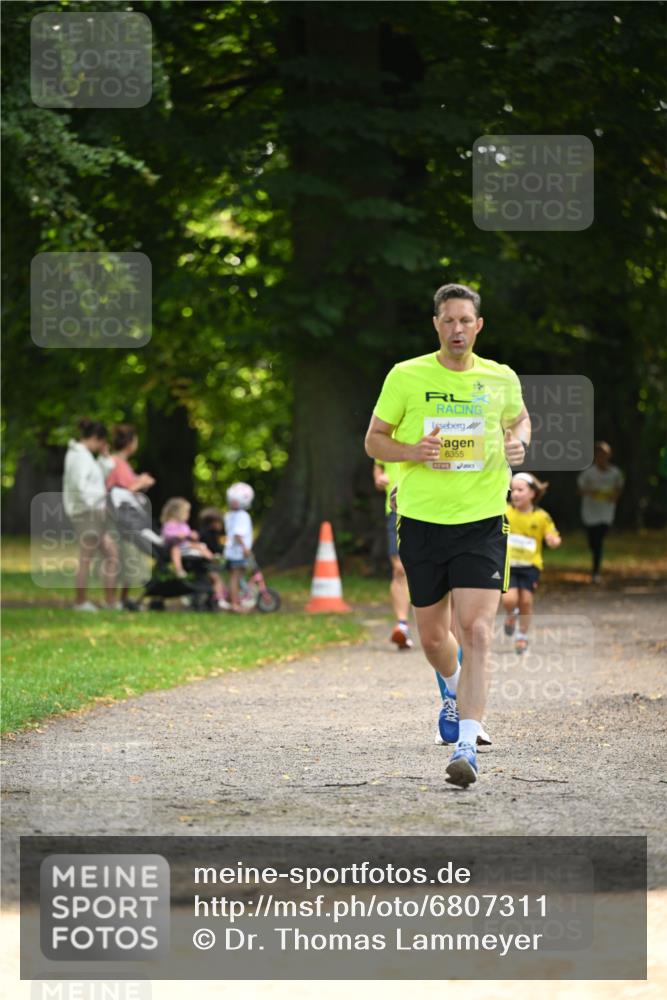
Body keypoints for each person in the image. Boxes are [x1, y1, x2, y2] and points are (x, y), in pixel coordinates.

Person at [365, 282, 531, 787]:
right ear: (436, 324)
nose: (457, 329)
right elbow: (374, 440)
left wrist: (518, 444)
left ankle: (467, 743)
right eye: (448, 320)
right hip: (420, 522)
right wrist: (413, 451)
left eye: (466, 320)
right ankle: (453, 691)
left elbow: (519, 421)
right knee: (435, 636)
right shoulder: (407, 376)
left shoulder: (500, 378)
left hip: (481, 521)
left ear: (478, 326)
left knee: (477, 629)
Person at [501, 473, 561, 654]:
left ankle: (522, 636)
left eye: (520, 490)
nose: (515, 494)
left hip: (530, 566)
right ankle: (511, 615)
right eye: (513, 490)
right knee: (509, 599)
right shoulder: (505, 512)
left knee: (526, 601)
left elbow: (553, 535)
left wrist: (553, 540)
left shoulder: (542, 517)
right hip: (508, 564)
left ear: (532, 494)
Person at [62, 418, 118, 611]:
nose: (103, 445)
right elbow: (80, 487)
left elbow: (96, 479)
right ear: (96, 438)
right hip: (86, 513)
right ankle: (80, 601)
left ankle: (110, 601)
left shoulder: (85, 456)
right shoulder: (78, 457)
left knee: (111, 555)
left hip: (94, 512)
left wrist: (105, 458)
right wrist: (99, 499)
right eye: (102, 441)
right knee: (87, 558)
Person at [105, 424, 155, 610]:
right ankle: (111, 601)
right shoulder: (115, 463)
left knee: (128, 558)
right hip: (117, 520)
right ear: (130, 443)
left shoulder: (122, 464)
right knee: (116, 559)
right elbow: (116, 493)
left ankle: (123, 599)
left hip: (127, 520)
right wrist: (141, 482)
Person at [373, 461, 413, 649]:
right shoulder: (387, 433)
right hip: (396, 511)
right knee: (399, 569)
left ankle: (442, 630)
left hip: (430, 510)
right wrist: (379, 478)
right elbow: (378, 465)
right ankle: (402, 625)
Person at [577, 441, 624, 583]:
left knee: (599, 540)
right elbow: (579, 490)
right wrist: (591, 492)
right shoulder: (588, 473)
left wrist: (614, 497)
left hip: (606, 512)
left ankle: (595, 571)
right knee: (593, 541)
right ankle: (595, 561)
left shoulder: (615, 472)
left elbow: (619, 488)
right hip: (590, 512)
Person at [224, 482, 255, 612]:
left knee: (235, 577)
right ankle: (235, 604)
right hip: (238, 552)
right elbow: (238, 535)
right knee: (235, 577)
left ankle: (234, 600)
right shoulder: (243, 516)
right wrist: (245, 548)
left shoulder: (229, 515)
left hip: (230, 551)